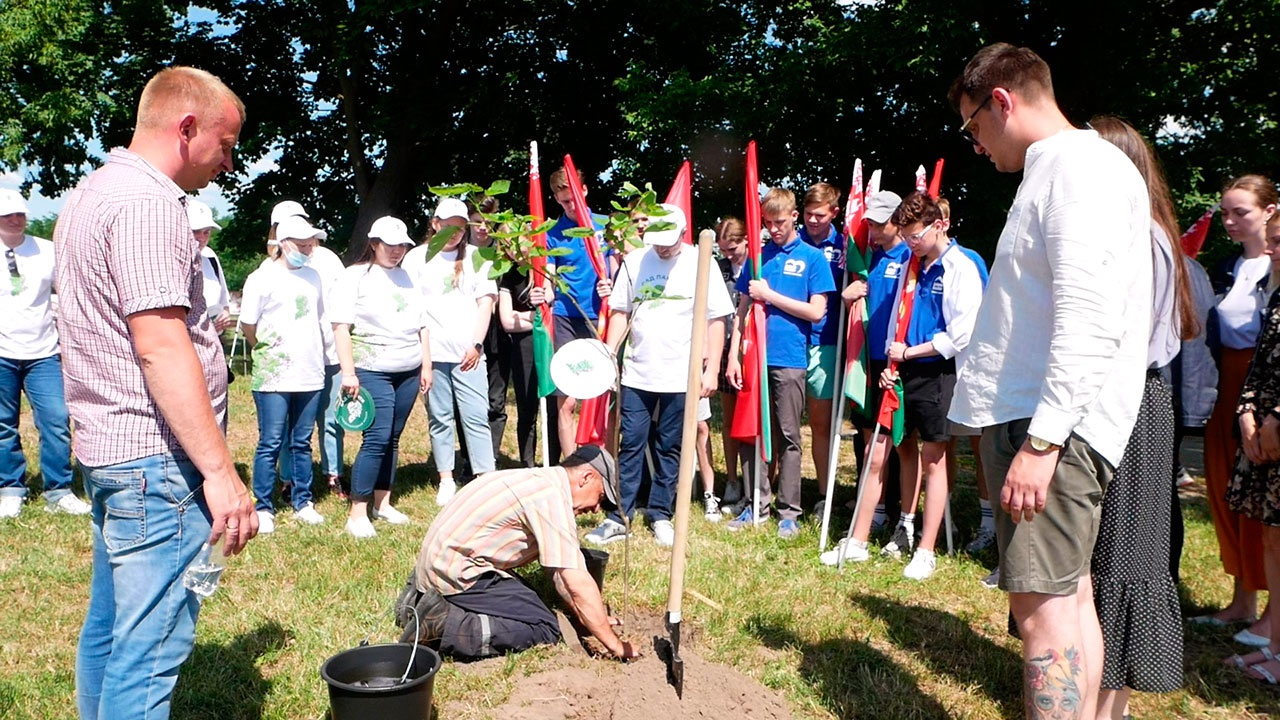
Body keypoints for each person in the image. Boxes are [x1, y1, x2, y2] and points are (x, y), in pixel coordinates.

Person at [946, 44, 1152, 718]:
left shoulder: (1076, 168)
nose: (975, 145)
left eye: (973, 126)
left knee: (1043, 619)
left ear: (1001, 99)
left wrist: (1042, 444)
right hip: (1049, 425)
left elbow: (1089, 319)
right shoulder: (1072, 167)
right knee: (1070, 600)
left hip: (1047, 429)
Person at [56, 66, 258, 720]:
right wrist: (220, 471)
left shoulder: (93, 191)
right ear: (187, 127)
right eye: (225, 145)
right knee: (147, 654)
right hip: (156, 464)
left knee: (113, 632)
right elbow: (160, 346)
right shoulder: (146, 207)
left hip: (116, 453)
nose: (228, 164)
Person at [1088, 116, 1201, 716]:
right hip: (1125, 395)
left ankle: (1110, 703)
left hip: (1134, 399)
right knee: (1109, 547)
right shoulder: (1137, 231)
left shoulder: (1145, 237)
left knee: (1128, 551)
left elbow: (1134, 342)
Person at [399, 445, 640, 660]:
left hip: (441, 562)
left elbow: (558, 572)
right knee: (544, 626)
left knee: (530, 602)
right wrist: (615, 644)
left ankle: (419, 597)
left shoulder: (537, 479)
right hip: (458, 571)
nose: (596, 508)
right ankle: (444, 626)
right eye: (600, 497)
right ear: (586, 477)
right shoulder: (551, 498)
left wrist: (590, 618)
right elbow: (575, 581)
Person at [586, 205, 732, 546]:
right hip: (637, 373)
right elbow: (621, 311)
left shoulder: (701, 262)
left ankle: (661, 514)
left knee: (670, 446)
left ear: (683, 234)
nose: (662, 248)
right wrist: (610, 355)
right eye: (657, 242)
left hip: (681, 375)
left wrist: (711, 370)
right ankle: (619, 514)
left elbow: (716, 319)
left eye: (668, 241)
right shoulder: (636, 262)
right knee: (631, 442)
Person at [878, 191, 986, 582]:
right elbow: (896, 318)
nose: (910, 243)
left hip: (939, 372)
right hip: (904, 367)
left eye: (915, 235)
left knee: (934, 458)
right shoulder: (912, 265)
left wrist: (908, 353)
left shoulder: (960, 266)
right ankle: (904, 527)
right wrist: (893, 362)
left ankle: (928, 548)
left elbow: (961, 335)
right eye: (905, 235)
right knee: (902, 447)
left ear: (939, 225)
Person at [725, 188, 835, 539]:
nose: (773, 229)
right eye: (768, 223)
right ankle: (755, 504)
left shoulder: (812, 258)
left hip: (789, 358)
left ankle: (789, 512)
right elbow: (742, 307)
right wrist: (733, 355)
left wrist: (770, 296)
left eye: (780, 222)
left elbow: (817, 311)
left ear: (793, 218)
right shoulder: (759, 256)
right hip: (754, 358)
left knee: (788, 435)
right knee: (753, 433)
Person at [1197, 174, 1277, 644]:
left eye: (1240, 212)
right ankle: (1242, 601)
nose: (1228, 221)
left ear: (1270, 211)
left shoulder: (1278, 268)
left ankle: (1273, 613)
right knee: (1228, 488)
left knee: (1262, 497)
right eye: (1224, 212)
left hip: (1263, 389)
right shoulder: (1228, 268)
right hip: (1224, 387)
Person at [820, 190, 908, 566]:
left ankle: (899, 520)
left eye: (877, 222)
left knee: (900, 447)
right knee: (871, 445)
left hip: (898, 366)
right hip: (866, 364)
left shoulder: (909, 258)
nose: (869, 228)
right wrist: (848, 294)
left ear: (898, 222)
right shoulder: (869, 256)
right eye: (867, 221)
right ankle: (872, 518)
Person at [330, 216, 430, 538]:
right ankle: (357, 512)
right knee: (377, 438)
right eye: (390, 245)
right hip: (371, 369)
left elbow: (422, 325)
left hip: (409, 370)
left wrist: (425, 366)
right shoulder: (354, 277)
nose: (396, 251)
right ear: (373, 244)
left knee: (394, 438)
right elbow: (341, 327)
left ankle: (382, 503)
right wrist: (348, 373)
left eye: (402, 245)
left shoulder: (408, 277)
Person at [238, 214, 331, 532]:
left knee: (302, 441)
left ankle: (303, 501)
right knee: (271, 441)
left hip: (310, 371)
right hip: (274, 374)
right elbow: (249, 325)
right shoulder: (260, 279)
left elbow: (319, 320)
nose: (306, 250)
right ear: (283, 243)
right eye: (301, 245)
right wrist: (264, 348)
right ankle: (264, 506)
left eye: (310, 245)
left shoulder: (315, 277)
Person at [0, 188, 89, 518]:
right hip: (2, 353)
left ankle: (59, 490)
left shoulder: (46, 251)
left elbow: (67, 295)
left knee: (55, 419)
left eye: (20, 214)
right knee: (3, 425)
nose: (15, 220)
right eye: (8, 215)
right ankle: (11, 488)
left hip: (43, 352)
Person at [404, 198, 497, 505]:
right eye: (448, 226)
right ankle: (446, 477)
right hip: (432, 353)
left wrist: (477, 343)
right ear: (435, 225)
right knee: (439, 417)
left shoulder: (479, 257)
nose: (454, 232)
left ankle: (485, 478)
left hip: (468, 353)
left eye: (460, 227)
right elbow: (411, 308)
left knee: (476, 416)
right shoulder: (416, 259)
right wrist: (424, 358)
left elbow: (486, 303)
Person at [1223, 209, 1280, 684]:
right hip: (1258, 418)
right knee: (1270, 530)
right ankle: (1276, 642)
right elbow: (1264, 360)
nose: (1271, 251)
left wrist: (1276, 417)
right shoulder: (1276, 295)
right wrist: (1247, 412)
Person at [263, 200, 349, 500]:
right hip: (289, 360)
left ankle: (333, 475)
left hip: (328, 353)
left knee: (331, 420)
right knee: (288, 424)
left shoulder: (327, 260)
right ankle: (288, 479)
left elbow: (341, 308)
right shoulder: (268, 268)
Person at [545, 167, 612, 457]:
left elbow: (621, 269)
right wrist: (542, 294)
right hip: (565, 319)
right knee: (567, 400)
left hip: (601, 317)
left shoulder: (607, 226)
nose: (570, 207)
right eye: (563, 202)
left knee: (602, 396)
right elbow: (548, 277)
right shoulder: (552, 233)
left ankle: (605, 465)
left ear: (584, 191)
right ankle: (572, 467)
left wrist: (613, 283)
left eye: (573, 199)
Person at [798, 183, 844, 505]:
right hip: (788, 341)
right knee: (781, 422)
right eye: (808, 214)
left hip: (826, 341)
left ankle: (824, 495)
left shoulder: (846, 244)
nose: (813, 220)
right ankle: (770, 490)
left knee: (820, 423)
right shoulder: (790, 239)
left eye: (820, 215)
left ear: (834, 213)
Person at [498, 247, 557, 468]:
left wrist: (524, 317)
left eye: (521, 243)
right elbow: (506, 321)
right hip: (523, 346)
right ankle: (528, 463)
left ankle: (553, 462)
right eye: (510, 245)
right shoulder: (508, 274)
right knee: (526, 407)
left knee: (553, 405)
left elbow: (552, 301)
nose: (517, 250)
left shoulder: (546, 268)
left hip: (551, 341)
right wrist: (538, 317)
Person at [713, 217, 750, 514]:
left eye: (733, 248)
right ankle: (732, 480)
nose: (729, 254)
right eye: (724, 249)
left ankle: (756, 484)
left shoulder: (758, 265)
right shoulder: (718, 268)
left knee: (752, 420)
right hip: (724, 346)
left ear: (746, 240)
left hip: (752, 347)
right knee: (728, 420)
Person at [187, 199, 233, 335]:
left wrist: (224, 314)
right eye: (196, 231)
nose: (201, 237)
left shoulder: (210, 256)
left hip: (213, 338)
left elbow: (224, 301)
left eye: (206, 232)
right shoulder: (171, 259)